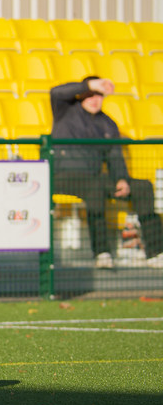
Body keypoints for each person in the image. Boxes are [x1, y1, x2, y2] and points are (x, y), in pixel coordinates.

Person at [50, 75, 163, 269]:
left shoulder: (108, 123)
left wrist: (121, 179)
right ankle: (102, 252)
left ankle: (156, 253)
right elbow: (56, 93)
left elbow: (115, 156)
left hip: (95, 179)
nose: (95, 100)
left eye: (99, 95)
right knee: (96, 187)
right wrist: (89, 84)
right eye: (90, 94)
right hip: (63, 177)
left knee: (143, 187)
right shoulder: (65, 111)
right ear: (81, 95)